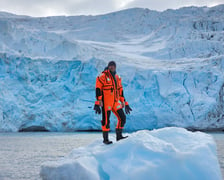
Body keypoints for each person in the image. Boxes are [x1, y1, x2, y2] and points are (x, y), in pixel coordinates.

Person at [94, 61, 132, 144]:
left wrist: (125, 103)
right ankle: (105, 139)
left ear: (115, 67)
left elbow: (120, 90)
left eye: (113, 66)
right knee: (106, 121)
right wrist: (97, 102)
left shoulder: (117, 77)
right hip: (106, 102)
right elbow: (98, 89)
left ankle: (119, 136)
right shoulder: (102, 76)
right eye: (110, 66)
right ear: (108, 66)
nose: (112, 67)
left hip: (115, 102)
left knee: (122, 118)